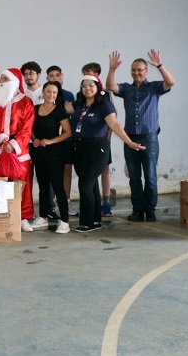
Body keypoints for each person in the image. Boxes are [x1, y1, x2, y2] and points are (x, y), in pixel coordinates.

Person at [107, 49, 175, 222]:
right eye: (134, 70)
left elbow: (171, 81)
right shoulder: (127, 89)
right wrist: (112, 69)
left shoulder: (154, 87)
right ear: (131, 72)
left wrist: (159, 65)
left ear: (146, 71)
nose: (137, 73)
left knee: (150, 176)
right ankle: (137, 210)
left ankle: (150, 210)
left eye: (140, 70)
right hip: (130, 140)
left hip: (149, 138)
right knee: (134, 178)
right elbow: (110, 87)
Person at [70, 75, 145, 232]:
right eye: (84, 85)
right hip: (79, 148)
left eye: (91, 85)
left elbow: (115, 124)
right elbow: (60, 109)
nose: (87, 88)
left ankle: (87, 222)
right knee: (92, 186)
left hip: (97, 149)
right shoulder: (79, 104)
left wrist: (129, 142)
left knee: (84, 185)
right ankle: (96, 220)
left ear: (98, 87)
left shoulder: (105, 105)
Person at [0, 67, 35, 231]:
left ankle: (23, 217)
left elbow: (27, 128)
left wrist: (14, 144)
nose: (2, 82)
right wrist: (1, 140)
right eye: (2, 79)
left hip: (19, 152)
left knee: (22, 186)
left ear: (14, 81)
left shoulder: (26, 102)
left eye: (5, 79)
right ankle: (2, 216)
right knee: (0, 186)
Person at [29, 81, 72, 233]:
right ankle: (42, 217)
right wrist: (34, 138)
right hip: (38, 152)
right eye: (48, 91)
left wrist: (50, 141)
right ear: (43, 92)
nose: (51, 95)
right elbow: (30, 128)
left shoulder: (59, 111)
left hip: (55, 153)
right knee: (42, 186)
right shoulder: (35, 109)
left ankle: (65, 221)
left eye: (54, 92)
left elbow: (68, 132)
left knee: (58, 187)